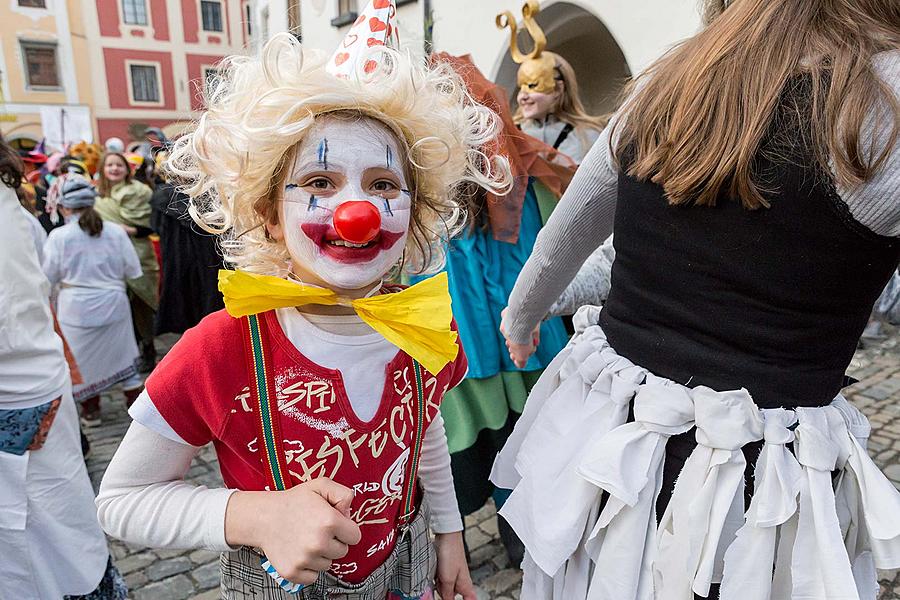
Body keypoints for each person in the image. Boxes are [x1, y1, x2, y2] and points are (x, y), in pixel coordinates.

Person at [96, 4, 511, 597]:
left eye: (383, 185)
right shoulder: (220, 347)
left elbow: (426, 429)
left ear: (414, 213)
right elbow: (122, 500)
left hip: (407, 566)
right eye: (319, 183)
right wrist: (257, 516)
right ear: (268, 215)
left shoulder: (421, 322)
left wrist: (449, 534)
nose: (356, 212)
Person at [494, 0, 900, 599]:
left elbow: (563, 242)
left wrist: (520, 318)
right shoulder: (883, 97)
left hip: (618, 423)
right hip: (768, 456)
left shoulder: (673, 77)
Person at [409, 53, 572, 566]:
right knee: (479, 448)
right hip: (461, 344)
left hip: (518, 339)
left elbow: (560, 252)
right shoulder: (422, 187)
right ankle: (471, 540)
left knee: (524, 440)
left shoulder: (528, 172)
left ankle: (516, 537)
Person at [0, 137, 127, 599]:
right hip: (45, 377)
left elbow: (40, 286)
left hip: (28, 392)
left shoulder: (32, 224)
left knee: (47, 536)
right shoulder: (20, 213)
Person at [43, 175, 144, 426]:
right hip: (114, 303)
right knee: (124, 355)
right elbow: (133, 270)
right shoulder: (116, 233)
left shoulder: (59, 237)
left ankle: (91, 410)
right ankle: (136, 406)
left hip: (76, 309)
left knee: (82, 361)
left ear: (64, 206)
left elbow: (47, 276)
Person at [501, 1, 604, 168]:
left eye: (533, 85)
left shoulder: (588, 136)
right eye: (521, 87)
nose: (523, 96)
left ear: (558, 89)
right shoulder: (508, 136)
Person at [94, 151, 158, 372]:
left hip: (139, 254)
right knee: (121, 307)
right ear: (103, 169)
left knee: (142, 304)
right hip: (110, 258)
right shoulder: (98, 197)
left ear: (126, 168)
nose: (114, 169)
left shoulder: (140, 192)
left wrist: (124, 230)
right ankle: (127, 353)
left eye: (118, 165)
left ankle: (148, 349)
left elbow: (150, 226)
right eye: (109, 165)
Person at [150, 151, 225, 334]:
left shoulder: (163, 197)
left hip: (179, 258)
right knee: (208, 299)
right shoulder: (214, 195)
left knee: (186, 298)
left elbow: (156, 227)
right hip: (208, 257)